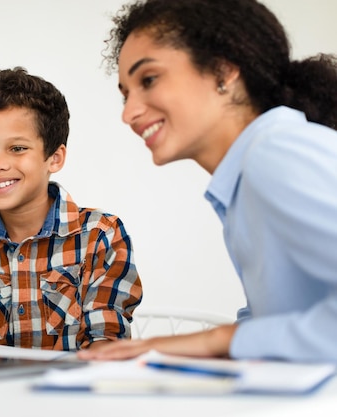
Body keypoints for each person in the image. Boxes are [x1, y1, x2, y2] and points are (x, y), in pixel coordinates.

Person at [79, 0, 337, 363]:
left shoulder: (274, 155)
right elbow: (280, 321)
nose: (128, 113)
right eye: (125, 94)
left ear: (223, 70)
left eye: (148, 80)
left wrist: (218, 340)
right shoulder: (246, 175)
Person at [0, 67, 143, 351]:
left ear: (55, 158)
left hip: (68, 393)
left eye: (17, 148)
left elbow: (106, 348)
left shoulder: (100, 235)